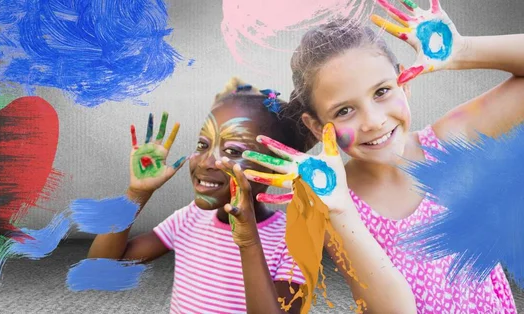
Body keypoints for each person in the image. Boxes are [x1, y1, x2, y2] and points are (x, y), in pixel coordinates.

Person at [242, 1, 520, 313]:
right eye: (344, 110)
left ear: (405, 83)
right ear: (317, 126)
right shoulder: (334, 202)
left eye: (382, 91)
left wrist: (463, 50)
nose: (373, 121)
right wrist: (341, 211)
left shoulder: (447, 144)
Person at [88, 78, 310, 314]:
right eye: (203, 145)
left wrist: (248, 242)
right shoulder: (189, 219)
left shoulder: (294, 241)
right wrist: (137, 193)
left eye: (232, 151)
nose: (205, 162)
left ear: (277, 166)